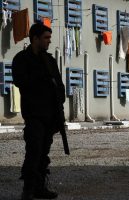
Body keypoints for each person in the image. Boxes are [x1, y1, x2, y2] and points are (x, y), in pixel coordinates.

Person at [12, 23, 65, 200]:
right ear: (35, 39)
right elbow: (21, 81)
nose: (49, 41)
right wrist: (41, 79)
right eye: (46, 38)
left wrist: (59, 107)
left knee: (43, 153)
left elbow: (59, 85)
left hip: (50, 116)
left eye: (49, 38)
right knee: (33, 151)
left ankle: (39, 187)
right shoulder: (21, 59)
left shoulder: (49, 60)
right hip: (34, 114)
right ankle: (28, 189)